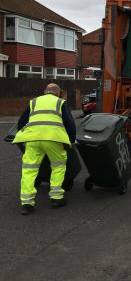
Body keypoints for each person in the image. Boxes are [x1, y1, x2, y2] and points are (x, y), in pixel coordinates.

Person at [12, 83, 76, 215]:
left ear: (45, 91)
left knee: (29, 169)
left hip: (33, 139)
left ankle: (27, 203)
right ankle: (56, 198)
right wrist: (71, 140)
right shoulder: (60, 102)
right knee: (58, 166)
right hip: (53, 139)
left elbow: (21, 121)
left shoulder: (34, 102)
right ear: (58, 93)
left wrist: (24, 134)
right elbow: (69, 123)